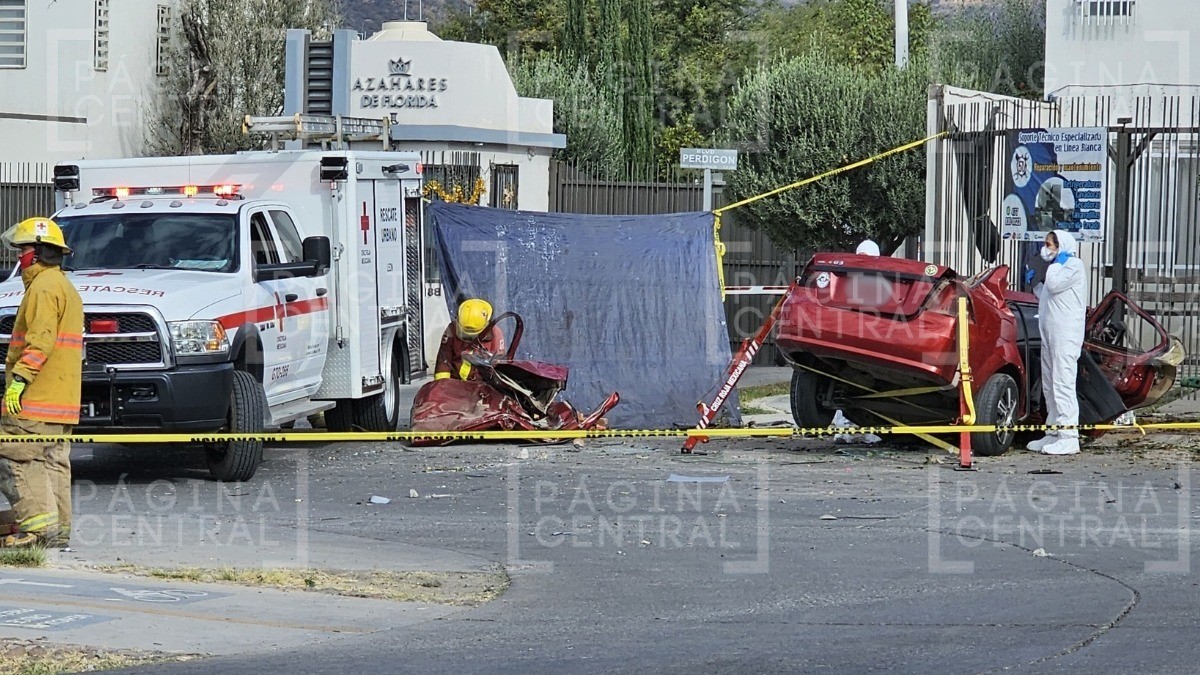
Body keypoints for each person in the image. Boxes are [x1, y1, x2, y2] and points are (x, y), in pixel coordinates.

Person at [0, 218, 84, 548]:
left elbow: (40, 342)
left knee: (14, 456)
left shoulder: (43, 288)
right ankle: (58, 533)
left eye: (22, 250)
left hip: (35, 400)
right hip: (61, 403)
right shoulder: (65, 287)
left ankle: (36, 532)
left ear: (36, 254)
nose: (18, 257)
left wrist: (19, 381)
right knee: (53, 464)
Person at [1027, 230, 1087, 456]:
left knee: (1063, 384)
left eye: (1050, 244)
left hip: (1065, 334)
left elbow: (1053, 284)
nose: (1046, 248)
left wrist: (1051, 266)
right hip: (1051, 333)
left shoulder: (1073, 265)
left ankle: (1069, 436)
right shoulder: (1060, 268)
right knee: (1050, 384)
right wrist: (1034, 283)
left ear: (1061, 246)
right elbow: (1047, 295)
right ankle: (1053, 432)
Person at [434, 298, 505, 382]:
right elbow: (443, 360)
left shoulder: (496, 334)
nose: (470, 337)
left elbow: (498, 366)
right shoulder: (451, 330)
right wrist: (442, 385)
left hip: (482, 385)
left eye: (474, 333)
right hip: (454, 383)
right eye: (466, 333)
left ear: (486, 325)